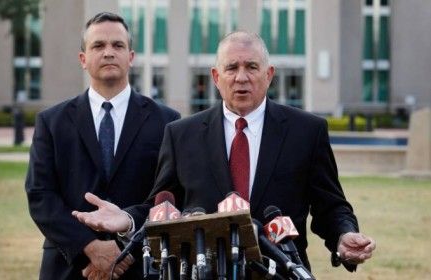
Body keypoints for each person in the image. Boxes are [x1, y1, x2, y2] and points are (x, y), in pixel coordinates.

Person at [73, 31, 375, 274]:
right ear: (216, 77)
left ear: (269, 74)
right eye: (232, 67)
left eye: (251, 67)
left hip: (281, 272)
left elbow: (331, 207)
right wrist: (126, 220)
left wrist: (343, 236)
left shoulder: (306, 132)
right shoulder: (181, 134)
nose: (241, 77)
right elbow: (162, 205)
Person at [25, 12, 180, 280]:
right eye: (98, 46)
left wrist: (124, 243)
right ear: (83, 59)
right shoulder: (52, 122)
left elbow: (170, 196)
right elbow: (40, 195)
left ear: (131, 57)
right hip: (70, 266)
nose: (108, 52)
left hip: (141, 265)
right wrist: (90, 248)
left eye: (117, 45)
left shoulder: (167, 122)